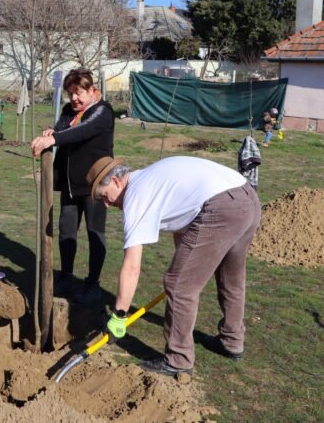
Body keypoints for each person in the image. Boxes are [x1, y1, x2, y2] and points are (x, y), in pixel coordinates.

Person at [87, 155, 261, 376]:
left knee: (179, 286)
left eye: (105, 196)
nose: (107, 204)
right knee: (231, 277)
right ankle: (232, 340)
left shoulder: (136, 196)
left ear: (116, 181)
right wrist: (188, 264)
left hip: (221, 207)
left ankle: (178, 359)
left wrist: (119, 315)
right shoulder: (151, 179)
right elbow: (185, 222)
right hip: (247, 197)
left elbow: (132, 267)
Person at [31, 68, 114, 303]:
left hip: (96, 186)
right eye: (70, 94)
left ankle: (93, 283)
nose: (74, 99)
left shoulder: (103, 111)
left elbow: (81, 131)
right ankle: (66, 276)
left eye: (79, 93)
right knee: (66, 232)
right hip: (70, 185)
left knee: (95, 233)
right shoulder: (69, 110)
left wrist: (55, 137)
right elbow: (62, 127)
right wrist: (53, 131)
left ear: (92, 90)